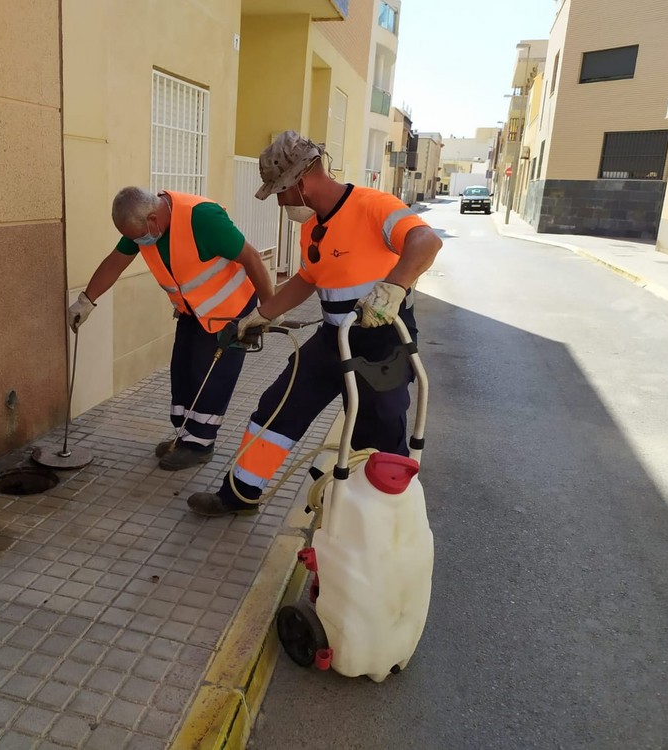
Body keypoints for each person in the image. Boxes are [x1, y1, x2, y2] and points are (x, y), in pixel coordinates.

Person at [187, 131, 443, 516]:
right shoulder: (312, 226)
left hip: (383, 341)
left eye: (280, 192)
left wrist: (392, 289)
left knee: (379, 431)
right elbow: (308, 278)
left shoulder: (374, 205)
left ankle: (381, 520)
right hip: (332, 339)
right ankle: (239, 495)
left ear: (301, 182)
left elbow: (425, 241)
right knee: (277, 409)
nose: (279, 201)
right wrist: (263, 313)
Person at [69, 186, 275, 471]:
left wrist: (266, 312)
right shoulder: (143, 226)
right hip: (194, 312)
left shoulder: (203, 218)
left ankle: (200, 445)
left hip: (232, 312)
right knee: (184, 371)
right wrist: (86, 301)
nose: (137, 242)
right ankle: (184, 435)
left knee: (211, 378)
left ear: (153, 219)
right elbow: (116, 262)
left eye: (138, 236)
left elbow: (251, 258)